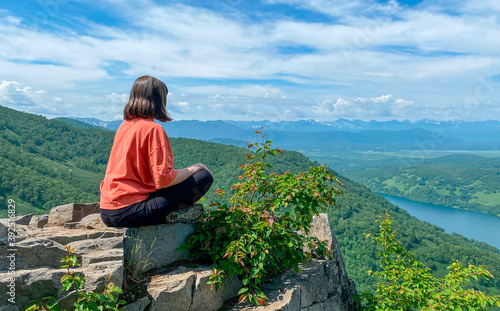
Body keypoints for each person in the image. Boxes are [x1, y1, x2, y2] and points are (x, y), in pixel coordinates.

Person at [100, 75, 213, 227]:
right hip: (129, 212)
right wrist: (196, 167)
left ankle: (169, 214)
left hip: (107, 210)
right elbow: (164, 179)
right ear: (158, 101)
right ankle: (173, 215)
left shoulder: (125, 126)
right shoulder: (153, 129)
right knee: (203, 177)